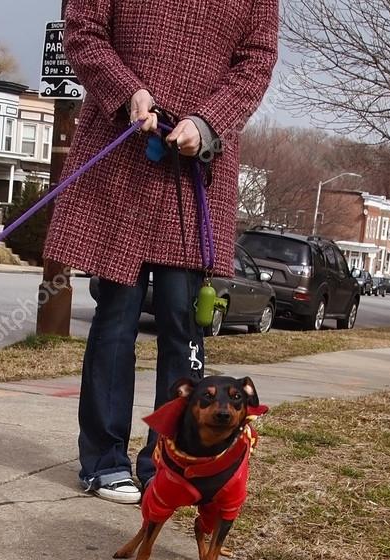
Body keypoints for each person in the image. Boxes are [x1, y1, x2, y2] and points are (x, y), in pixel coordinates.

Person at [45, 0, 279, 503]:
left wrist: (210, 121)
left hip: (197, 171)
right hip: (121, 155)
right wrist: (129, 91)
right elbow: (84, 30)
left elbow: (257, 60)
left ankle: (169, 461)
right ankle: (103, 460)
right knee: (117, 315)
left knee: (181, 321)